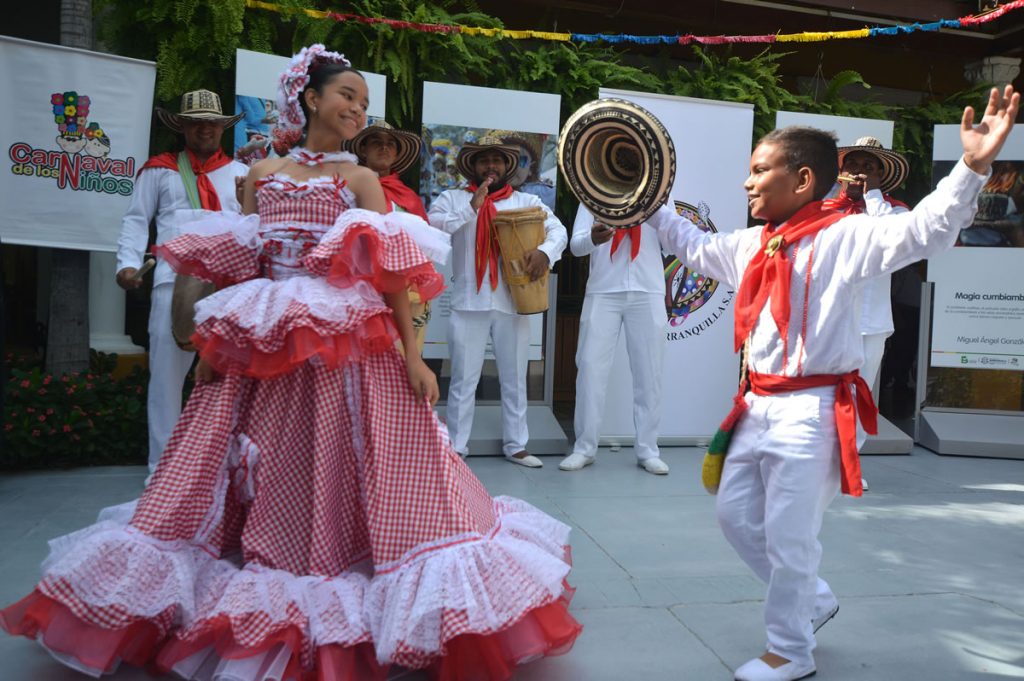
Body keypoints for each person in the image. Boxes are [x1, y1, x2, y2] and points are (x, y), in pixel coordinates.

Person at [1, 45, 581, 680]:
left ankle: (346, 560)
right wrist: (211, 348)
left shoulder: (359, 181)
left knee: (361, 459)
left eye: (363, 102)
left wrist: (413, 356)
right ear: (310, 99)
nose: (358, 109)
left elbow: (389, 275)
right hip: (264, 342)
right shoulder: (261, 174)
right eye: (347, 96)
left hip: (346, 344)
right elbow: (243, 262)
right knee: (249, 460)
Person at [648, 86, 1018, 681]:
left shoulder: (847, 235)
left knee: (791, 536)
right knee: (735, 515)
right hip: (756, 404)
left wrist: (973, 167)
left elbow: (926, 231)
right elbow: (693, 247)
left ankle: (791, 651)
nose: (748, 183)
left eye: (759, 170)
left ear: (801, 180)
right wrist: (648, 198)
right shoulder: (752, 243)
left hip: (814, 409)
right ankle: (812, 599)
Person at [115, 88, 248, 472]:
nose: (205, 129)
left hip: (228, 289)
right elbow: (136, 220)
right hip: (173, 283)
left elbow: (253, 228)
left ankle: (223, 470)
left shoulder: (242, 174)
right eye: (196, 123)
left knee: (228, 380)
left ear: (222, 128)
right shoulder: (159, 169)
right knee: (166, 381)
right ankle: (162, 471)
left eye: (212, 123)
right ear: (183, 127)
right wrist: (126, 263)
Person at [428, 136, 568, 467]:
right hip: (468, 303)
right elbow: (435, 228)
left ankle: (516, 444)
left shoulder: (527, 200)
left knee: (514, 375)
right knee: (463, 378)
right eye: (484, 161)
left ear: (507, 167)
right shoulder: (452, 198)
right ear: (472, 167)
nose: (491, 166)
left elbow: (558, 231)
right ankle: (457, 447)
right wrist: (471, 206)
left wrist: (545, 253)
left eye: (498, 161)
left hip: (513, 301)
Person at [823, 136, 911, 489]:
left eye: (868, 167)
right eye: (853, 165)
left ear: (881, 174)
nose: (859, 172)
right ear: (841, 171)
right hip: (829, 318)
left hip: (871, 321)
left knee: (859, 395)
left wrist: (873, 196)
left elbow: (888, 237)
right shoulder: (826, 209)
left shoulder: (897, 211)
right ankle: (817, 460)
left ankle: (848, 463)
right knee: (821, 393)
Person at [560, 207, 670, 475]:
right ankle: (584, 448)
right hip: (603, 290)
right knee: (589, 370)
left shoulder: (660, 194)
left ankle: (648, 449)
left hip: (648, 289)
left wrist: (658, 209)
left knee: (649, 374)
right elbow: (576, 246)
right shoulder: (593, 194)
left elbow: (672, 242)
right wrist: (593, 239)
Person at [349, 120, 434, 351]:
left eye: (390, 144)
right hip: (359, 290)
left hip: (403, 292)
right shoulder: (348, 189)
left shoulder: (407, 196)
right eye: (376, 142)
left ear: (396, 154)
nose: (384, 148)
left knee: (405, 362)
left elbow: (423, 248)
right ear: (363, 150)